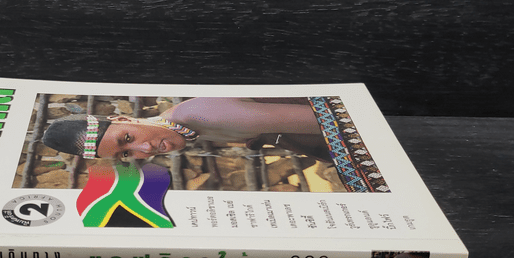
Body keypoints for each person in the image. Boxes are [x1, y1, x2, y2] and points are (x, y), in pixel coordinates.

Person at [41, 97, 330, 162]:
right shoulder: (188, 128)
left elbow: (329, 122)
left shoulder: (201, 114)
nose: (145, 150)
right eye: (126, 154)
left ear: (124, 120)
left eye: (127, 138)